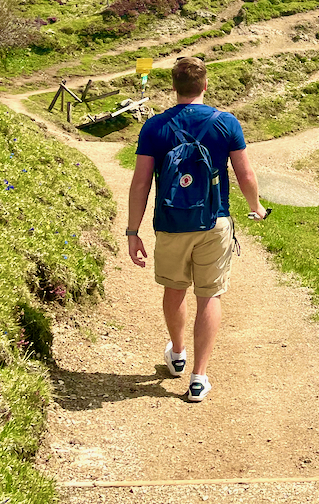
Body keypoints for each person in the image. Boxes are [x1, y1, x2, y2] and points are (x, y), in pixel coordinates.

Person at [126, 57, 268, 403]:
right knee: (209, 296)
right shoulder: (226, 123)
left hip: (172, 223)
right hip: (214, 221)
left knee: (174, 290)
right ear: (205, 86)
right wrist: (255, 208)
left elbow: (141, 182)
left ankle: (177, 354)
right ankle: (198, 378)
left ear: (173, 88)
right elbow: (245, 176)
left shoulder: (154, 127)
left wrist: (133, 231)